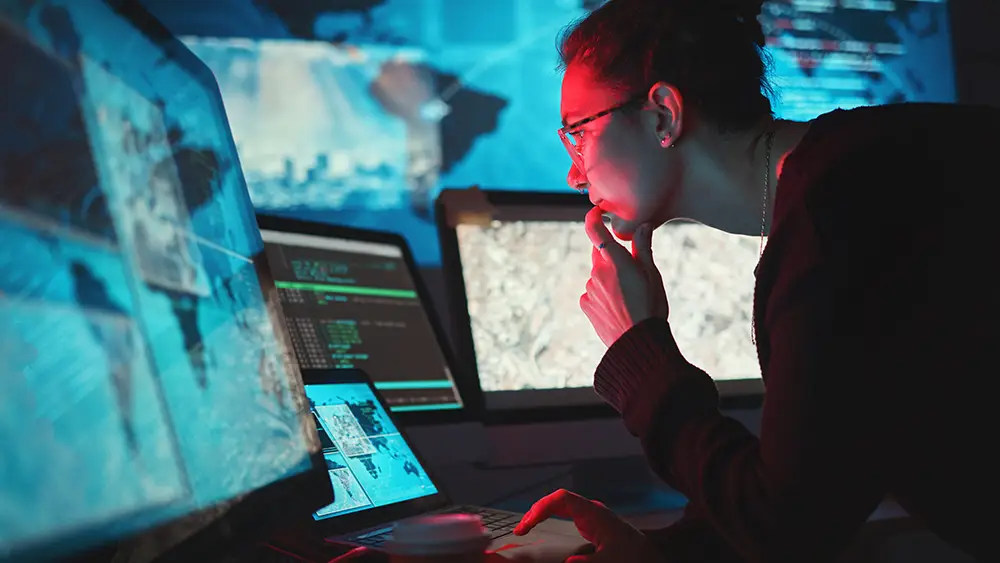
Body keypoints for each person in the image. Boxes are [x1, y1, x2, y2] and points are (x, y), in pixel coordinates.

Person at [512, 0, 999, 561]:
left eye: (578, 133)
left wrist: (636, 349)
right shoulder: (857, 169)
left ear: (663, 115)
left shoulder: (836, 220)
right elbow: (828, 472)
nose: (574, 174)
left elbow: (788, 528)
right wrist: (660, 550)